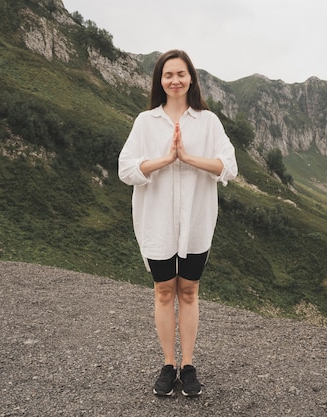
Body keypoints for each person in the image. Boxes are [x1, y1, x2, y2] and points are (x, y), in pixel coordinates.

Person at [118, 49, 238, 397]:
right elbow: (125, 170)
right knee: (163, 291)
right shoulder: (145, 122)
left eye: (181, 74)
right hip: (156, 224)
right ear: (160, 80)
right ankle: (168, 364)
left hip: (197, 224)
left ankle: (188, 366)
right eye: (168, 74)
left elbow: (229, 167)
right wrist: (165, 160)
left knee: (188, 291)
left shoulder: (208, 122)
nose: (174, 80)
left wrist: (188, 158)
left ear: (191, 79)